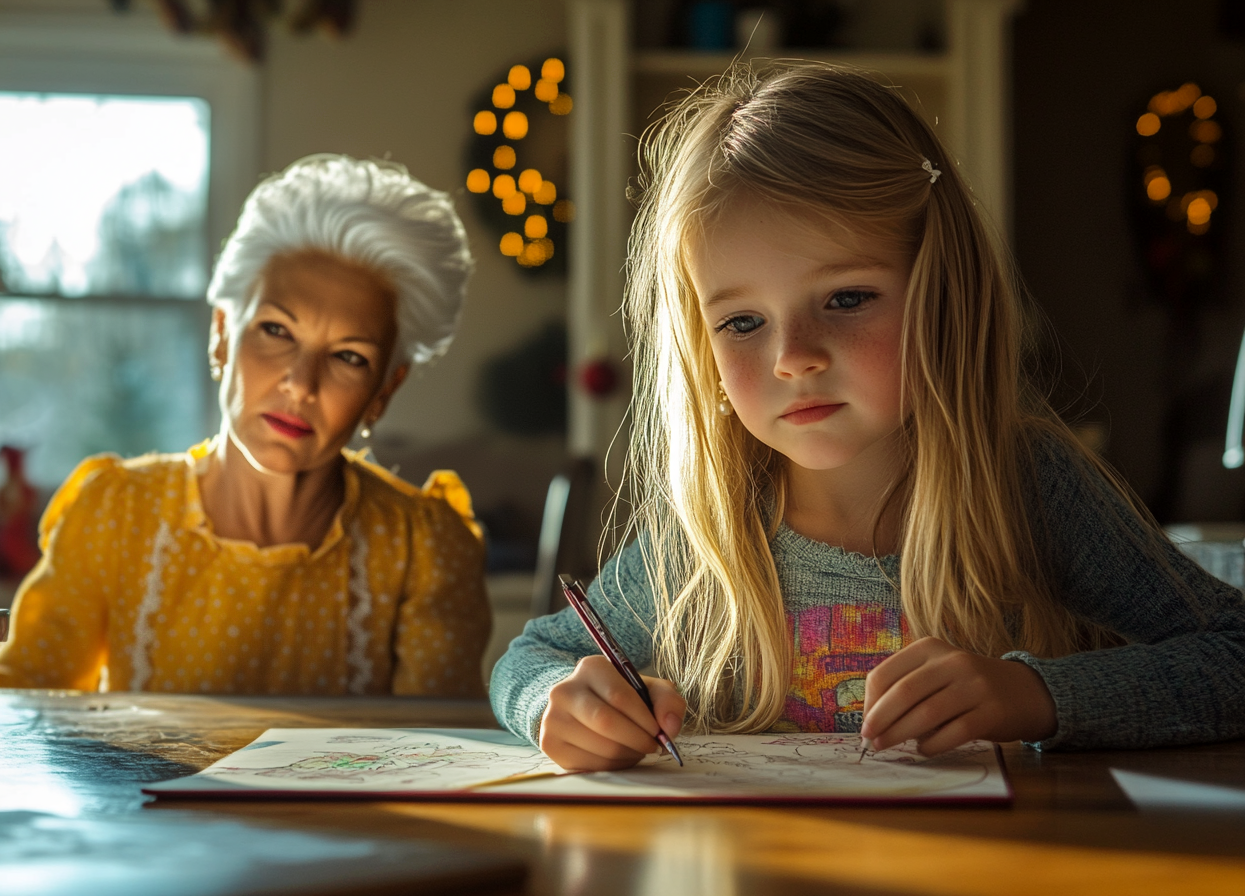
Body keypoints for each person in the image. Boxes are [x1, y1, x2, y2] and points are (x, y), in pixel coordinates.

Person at [490, 64, 1245, 770]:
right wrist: (557, 705)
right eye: (743, 323)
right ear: (702, 354)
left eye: (846, 298)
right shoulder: (709, 533)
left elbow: (1234, 651)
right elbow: (528, 659)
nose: (795, 357)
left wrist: (1037, 696)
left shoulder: (1026, 486)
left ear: (942, 295)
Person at [0, 154, 491, 697]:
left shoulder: (426, 549)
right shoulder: (113, 514)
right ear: (222, 336)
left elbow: (439, 754)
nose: (300, 383)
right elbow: (20, 710)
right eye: (276, 330)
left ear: (384, 391)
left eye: (349, 357)